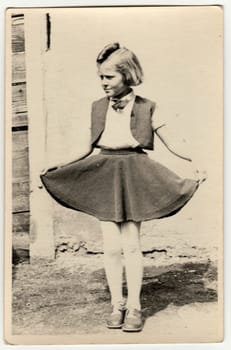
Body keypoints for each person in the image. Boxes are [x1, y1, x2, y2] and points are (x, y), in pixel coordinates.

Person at [40, 42, 206, 332]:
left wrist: (196, 161)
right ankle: (117, 304)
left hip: (134, 173)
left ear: (127, 75)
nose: (103, 83)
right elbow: (84, 147)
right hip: (105, 172)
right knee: (112, 247)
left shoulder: (148, 107)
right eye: (100, 77)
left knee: (131, 245)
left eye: (108, 77)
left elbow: (174, 141)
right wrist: (56, 163)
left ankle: (134, 307)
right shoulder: (96, 108)